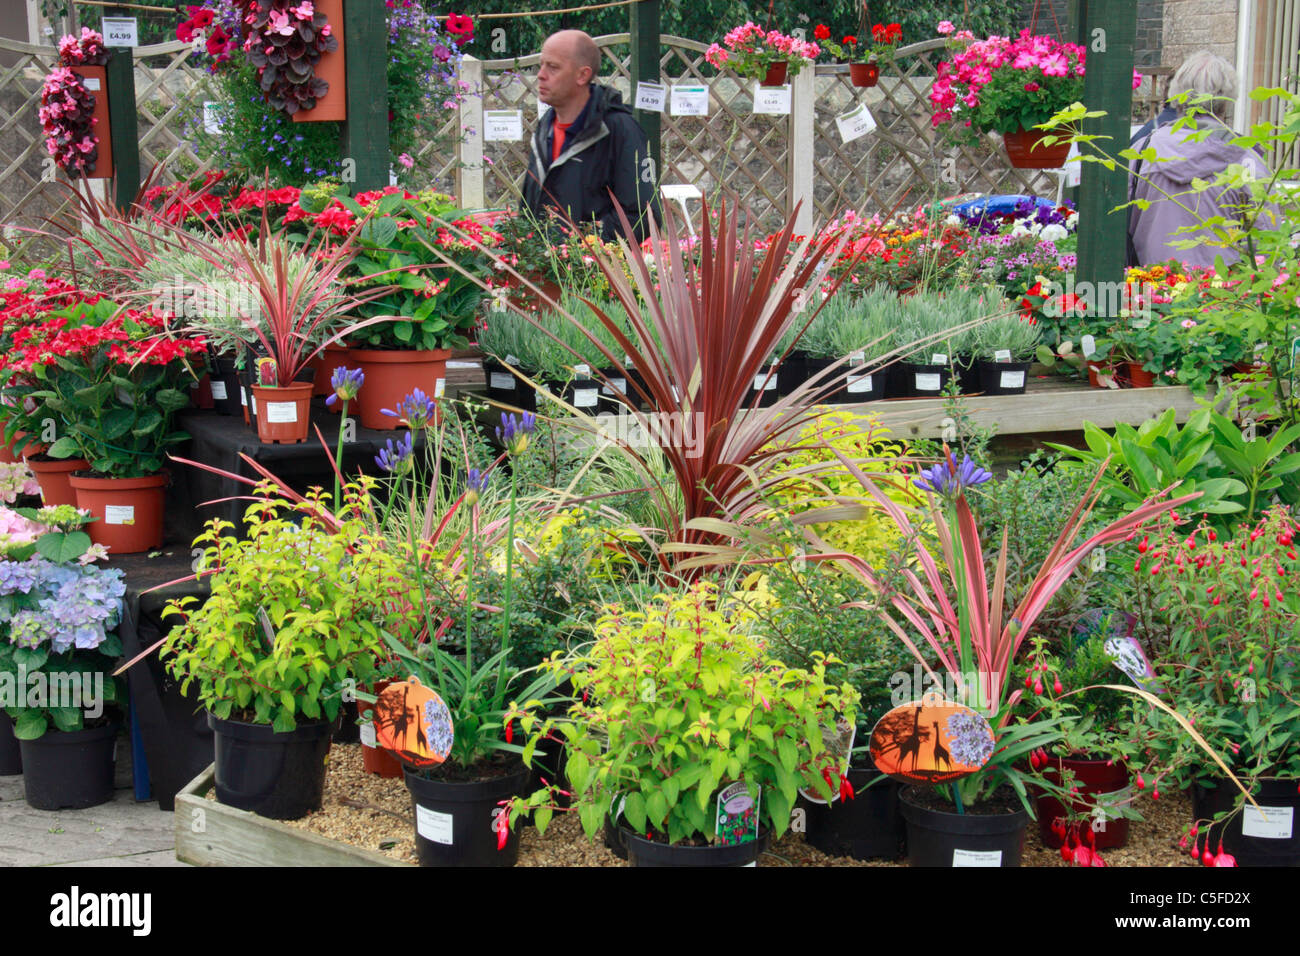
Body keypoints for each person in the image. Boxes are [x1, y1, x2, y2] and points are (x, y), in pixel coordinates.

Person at [1127, 52, 1275, 268]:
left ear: (1177, 93)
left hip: (1151, 288)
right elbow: (1269, 243)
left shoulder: (1143, 152)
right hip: (1223, 294)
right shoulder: (1246, 162)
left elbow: (1116, 227)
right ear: (1228, 99)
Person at [522, 30, 661, 243]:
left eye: (553, 67)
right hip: (540, 269)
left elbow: (643, 215)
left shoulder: (619, 129)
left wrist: (582, 248)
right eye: (541, 65)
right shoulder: (545, 127)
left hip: (592, 270)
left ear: (582, 75)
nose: (541, 74)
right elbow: (530, 206)